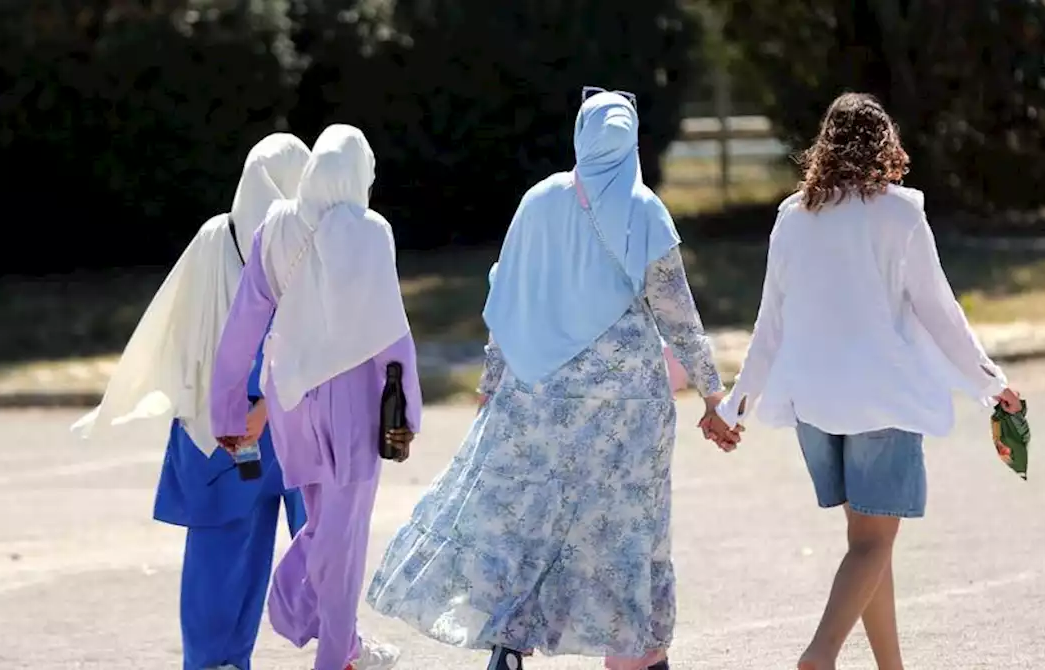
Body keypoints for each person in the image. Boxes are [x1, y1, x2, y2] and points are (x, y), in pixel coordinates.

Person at [365, 90, 738, 670]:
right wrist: (713, 393)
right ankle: (636, 652)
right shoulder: (644, 210)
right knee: (623, 531)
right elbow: (677, 314)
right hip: (627, 410)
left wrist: (491, 382)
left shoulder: (539, 201)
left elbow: (506, 298)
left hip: (537, 396)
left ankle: (510, 644)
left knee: (530, 522)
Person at [714, 93, 1023, 670]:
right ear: (886, 145)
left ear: (824, 148)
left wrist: (735, 408)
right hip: (883, 401)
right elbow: (939, 311)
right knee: (872, 543)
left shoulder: (791, 216)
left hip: (814, 406)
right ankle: (821, 653)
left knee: (866, 543)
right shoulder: (901, 214)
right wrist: (990, 382)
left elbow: (770, 326)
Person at [71, 133, 311, 670]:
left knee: (221, 553)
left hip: (217, 423)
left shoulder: (213, 237)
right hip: (290, 418)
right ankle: (341, 644)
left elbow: (177, 328)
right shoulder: (306, 240)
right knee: (315, 541)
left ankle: (214, 661)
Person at [209, 124, 419, 670]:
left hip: (291, 398)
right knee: (342, 534)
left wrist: (227, 406)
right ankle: (324, 645)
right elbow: (390, 332)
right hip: (352, 397)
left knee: (327, 521)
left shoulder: (275, 224)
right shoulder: (371, 230)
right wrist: (408, 411)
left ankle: (327, 633)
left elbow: (244, 322)